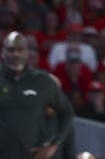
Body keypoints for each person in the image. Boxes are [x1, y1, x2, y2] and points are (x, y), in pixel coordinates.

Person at [0, 31, 74, 159]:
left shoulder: (42, 81)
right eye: (11, 50)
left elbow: (67, 113)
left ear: (27, 52)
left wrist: (53, 145)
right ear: (3, 52)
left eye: (20, 50)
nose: (15, 54)